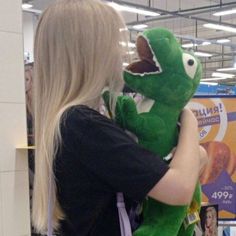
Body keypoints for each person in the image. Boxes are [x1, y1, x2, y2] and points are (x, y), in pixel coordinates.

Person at [32, 0, 208, 235]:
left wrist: (196, 156)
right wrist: (188, 119)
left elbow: (190, 165)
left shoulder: (70, 121)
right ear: (89, 52)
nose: (121, 52)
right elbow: (179, 188)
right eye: (113, 42)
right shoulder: (83, 125)